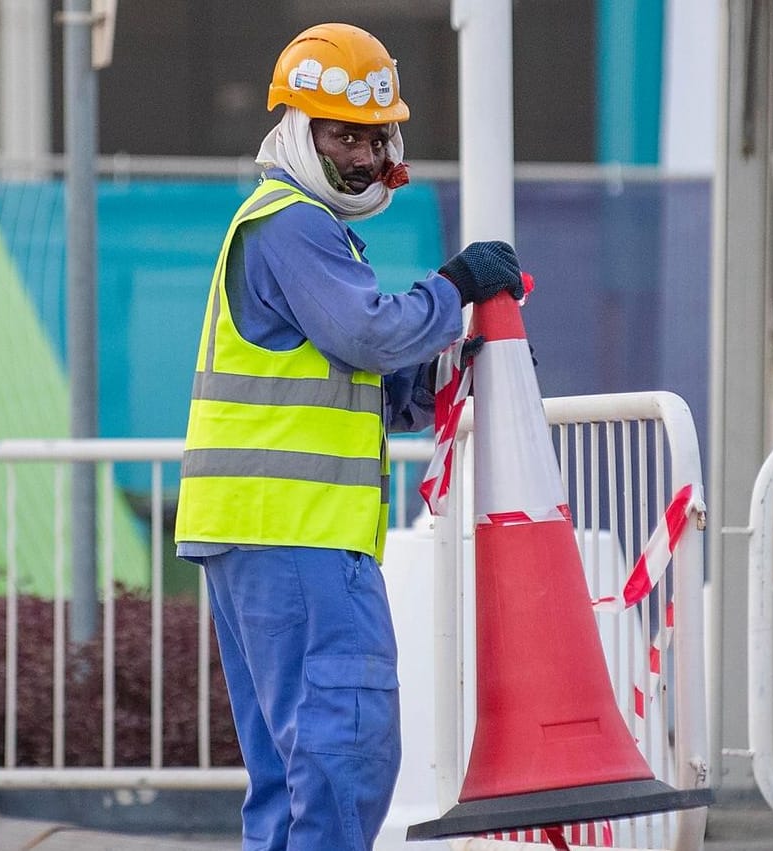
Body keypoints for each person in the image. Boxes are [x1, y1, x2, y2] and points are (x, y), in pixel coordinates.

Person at [173, 22, 525, 851]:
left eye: (376, 138)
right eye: (343, 135)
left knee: (291, 773)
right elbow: (366, 334)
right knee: (345, 748)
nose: (364, 158)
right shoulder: (295, 224)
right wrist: (457, 285)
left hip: (259, 538)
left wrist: (448, 368)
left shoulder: (285, 225)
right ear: (298, 130)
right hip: (298, 544)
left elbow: (347, 376)